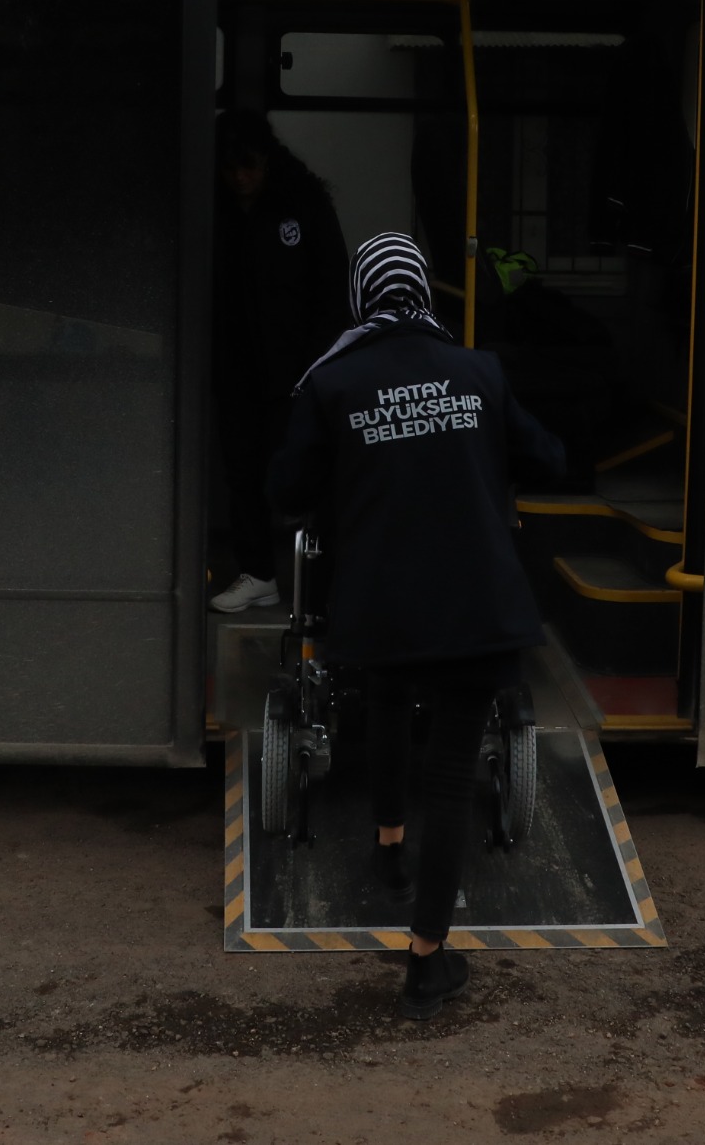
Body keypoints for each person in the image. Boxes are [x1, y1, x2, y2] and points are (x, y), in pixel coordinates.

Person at [267, 232, 566, 1020]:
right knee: (453, 771)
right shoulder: (479, 370)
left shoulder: (330, 380)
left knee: (391, 698)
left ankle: (390, 848)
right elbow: (547, 460)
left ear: (362, 296)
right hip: (476, 605)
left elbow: (286, 487)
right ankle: (426, 959)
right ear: (425, 293)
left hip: (381, 603)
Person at [208, 110, 349, 613]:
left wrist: (319, 366)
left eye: (249, 167)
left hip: (297, 370)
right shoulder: (214, 212)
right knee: (242, 472)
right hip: (235, 368)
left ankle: (317, 583)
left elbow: (333, 288)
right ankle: (257, 573)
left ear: (268, 162)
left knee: (300, 474)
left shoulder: (303, 205)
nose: (241, 179)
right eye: (230, 169)